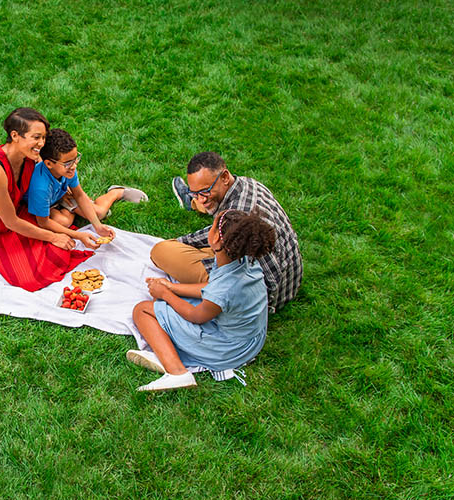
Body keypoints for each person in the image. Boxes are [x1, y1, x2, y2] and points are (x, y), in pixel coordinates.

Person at [130, 209, 277, 392]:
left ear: (216, 240)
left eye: (212, 226)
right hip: (252, 339)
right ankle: (169, 353)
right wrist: (171, 287)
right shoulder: (246, 262)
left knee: (142, 310)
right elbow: (211, 291)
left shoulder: (224, 287)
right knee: (179, 301)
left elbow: (196, 316)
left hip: (228, 350)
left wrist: (165, 295)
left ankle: (177, 372)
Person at [152, 151, 302, 313]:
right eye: (196, 194)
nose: (202, 198)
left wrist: (171, 286)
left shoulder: (237, 219)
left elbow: (226, 291)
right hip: (289, 279)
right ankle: (192, 201)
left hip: (264, 295)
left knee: (160, 251)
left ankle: (190, 204)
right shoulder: (247, 183)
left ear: (224, 177)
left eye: (205, 191)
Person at [0, 108, 92, 292]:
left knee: (60, 247)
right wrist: (53, 236)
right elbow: (10, 222)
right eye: (36, 137)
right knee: (31, 277)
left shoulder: (30, 156)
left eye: (43, 137)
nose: (42, 144)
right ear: (15, 135)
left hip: (19, 212)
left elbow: (56, 171)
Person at [25, 128, 148, 247]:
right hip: (48, 200)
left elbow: (79, 194)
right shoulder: (40, 188)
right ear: (49, 164)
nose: (74, 166)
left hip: (57, 195)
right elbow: (43, 222)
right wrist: (78, 235)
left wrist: (97, 226)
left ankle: (116, 192)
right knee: (62, 223)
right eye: (68, 163)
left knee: (99, 213)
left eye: (75, 159)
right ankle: (69, 205)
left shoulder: (68, 170)